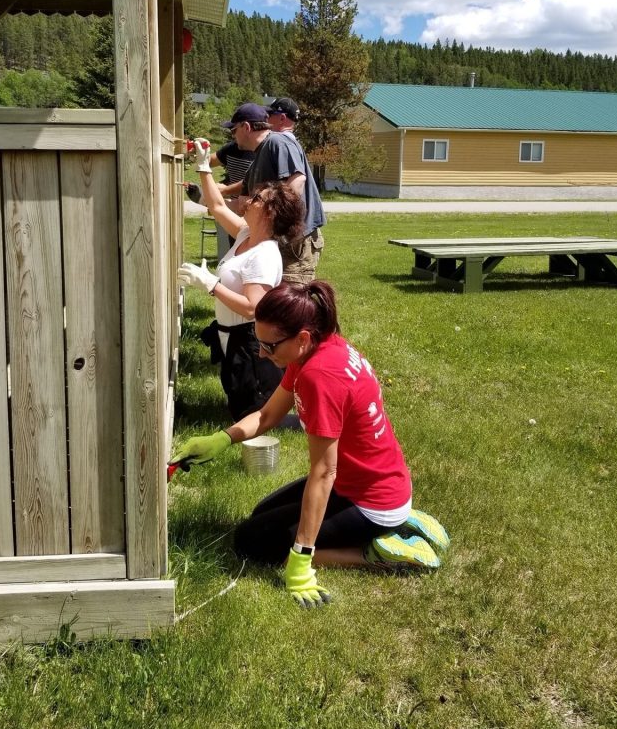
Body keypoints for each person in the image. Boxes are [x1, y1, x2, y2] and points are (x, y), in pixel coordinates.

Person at [171, 280, 450, 608]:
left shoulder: (320, 377)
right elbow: (268, 415)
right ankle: (396, 519)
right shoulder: (317, 347)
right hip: (370, 482)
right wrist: (222, 439)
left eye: (269, 346)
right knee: (260, 515)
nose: (261, 353)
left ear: (301, 338)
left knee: (253, 544)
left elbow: (323, 472)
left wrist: (301, 560)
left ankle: (377, 550)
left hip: (370, 500)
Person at [178, 138, 306, 421]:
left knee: (252, 413)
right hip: (232, 337)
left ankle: (298, 423)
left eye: (257, 199)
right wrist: (203, 165)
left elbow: (252, 308)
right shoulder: (247, 234)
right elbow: (217, 206)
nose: (248, 199)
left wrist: (211, 285)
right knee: (237, 404)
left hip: (249, 343)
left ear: (270, 214)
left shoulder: (264, 254)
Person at [219, 99, 326, 285]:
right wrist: (209, 202)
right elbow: (246, 204)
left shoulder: (278, 142)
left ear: (246, 127)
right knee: (273, 303)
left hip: (293, 242)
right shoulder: (260, 155)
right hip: (276, 241)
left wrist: (274, 224)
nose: (233, 136)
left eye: (233, 130)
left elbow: (297, 181)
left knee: (290, 303)